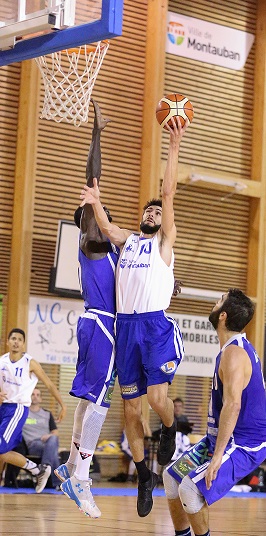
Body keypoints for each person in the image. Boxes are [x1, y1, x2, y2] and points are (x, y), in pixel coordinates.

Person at [80, 117, 188, 517]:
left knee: (158, 400)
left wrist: (173, 146)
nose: (152, 214)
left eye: (157, 213)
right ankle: (144, 474)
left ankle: (172, 428)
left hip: (154, 326)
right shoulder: (128, 240)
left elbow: (167, 191)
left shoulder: (163, 242)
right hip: (125, 329)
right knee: (130, 410)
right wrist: (94, 198)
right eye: (148, 212)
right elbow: (105, 226)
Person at [54, 100, 119, 518]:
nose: (100, 216)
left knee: (86, 401)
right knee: (99, 403)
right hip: (102, 327)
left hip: (99, 325)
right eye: (95, 214)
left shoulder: (112, 253)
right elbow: (92, 183)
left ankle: (70, 465)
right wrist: (96, 135)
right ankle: (82, 477)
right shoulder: (93, 242)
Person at [163, 288, 266, 536]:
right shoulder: (231, 349)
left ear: (223, 315)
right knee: (171, 478)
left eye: (219, 301)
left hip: (244, 443)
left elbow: (234, 405)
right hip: (221, 436)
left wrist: (217, 455)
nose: (214, 304)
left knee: (190, 489)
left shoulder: (234, 354)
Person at [0, 328, 66, 493]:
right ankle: (38, 470)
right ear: (7, 342)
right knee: (3, 452)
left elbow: (50, 384)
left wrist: (63, 405)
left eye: (19, 339)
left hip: (17, 409)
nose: (16, 341)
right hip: (3, 408)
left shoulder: (30, 362)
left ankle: (37, 470)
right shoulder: (2, 361)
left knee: (1, 448)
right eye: (13, 338)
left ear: (23, 344)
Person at [21, 387, 61, 488]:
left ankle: (44, 468)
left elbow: (55, 433)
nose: (35, 397)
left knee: (53, 439)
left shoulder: (47, 414)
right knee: (53, 452)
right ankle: (58, 483)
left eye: (38, 395)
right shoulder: (22, 413)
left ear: (41, 399)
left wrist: (49, 436)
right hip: (33, 445)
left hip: (47, 443)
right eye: (33, 394)